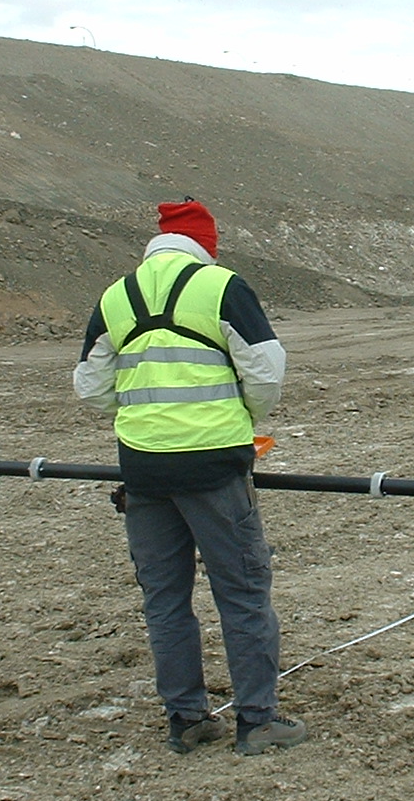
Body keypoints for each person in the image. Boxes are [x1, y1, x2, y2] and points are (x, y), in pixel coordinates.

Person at [74, 198, 306, 757]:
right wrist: (242, 417)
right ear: (205, 243)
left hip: (144, 470)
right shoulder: (222, 286)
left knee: (165, 599)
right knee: (243, 593)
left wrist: (145, 420)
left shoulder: (117, 296)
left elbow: (91, 385)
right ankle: (257, 721)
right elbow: (266, 370)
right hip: (214, 466)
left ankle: (186, 719)